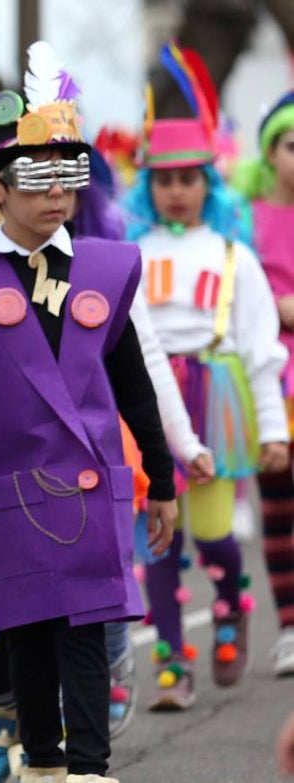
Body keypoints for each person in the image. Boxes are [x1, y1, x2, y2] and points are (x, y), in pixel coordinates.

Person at [0, 42, 178, 783]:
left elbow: (133, 380)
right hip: (9, 485)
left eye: (70, 173)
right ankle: (44, 763)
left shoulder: (105, 267)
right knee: (26, 635)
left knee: (87, 634)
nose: (58, 193)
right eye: (37, 176)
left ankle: (89, 767)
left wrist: (165, 477)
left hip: (91, 485)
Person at [125, 46, 289, 710]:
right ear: (148, 187)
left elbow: (262, 346)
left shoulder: (234, 256)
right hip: (150, 400)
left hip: (217, 395)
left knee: (216, 529)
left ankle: (229, 604)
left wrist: (274, 426)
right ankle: (171, 662)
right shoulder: (131, 255)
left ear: (208, 183)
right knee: (161, 536)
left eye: (189, 178)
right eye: (164, 180)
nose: (176, 191)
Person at [233, 90, 294, 677]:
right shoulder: (244, 218)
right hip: (270, 381)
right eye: (293, 144)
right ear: (270, 153)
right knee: (278, 507)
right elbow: (238, 297)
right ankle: (291, 627)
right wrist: (277, 307)